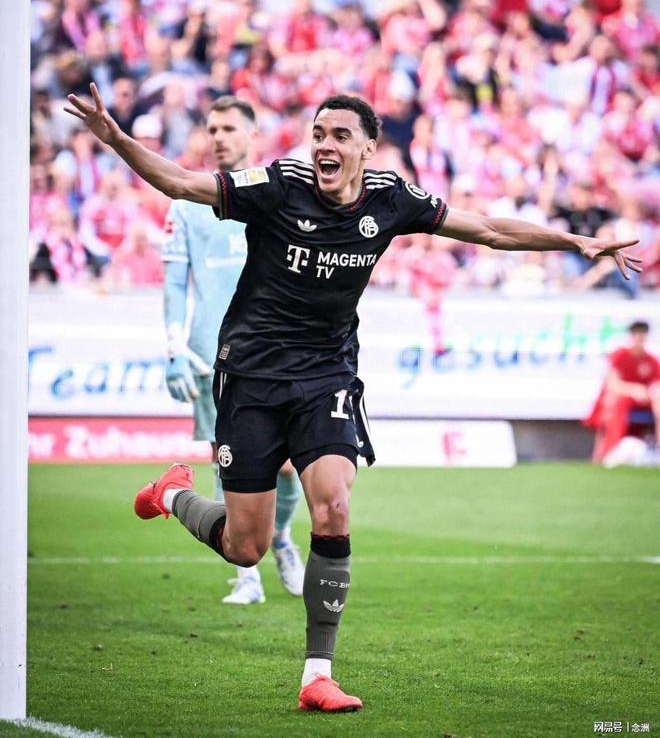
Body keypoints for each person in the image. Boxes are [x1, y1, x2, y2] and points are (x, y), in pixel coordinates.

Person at [65, 84, 642, 713]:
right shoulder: (278, 184)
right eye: (318, 134)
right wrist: (116, 138)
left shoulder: (391, 198)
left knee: (334, 507)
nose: (325, 145)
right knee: (246, 546)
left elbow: (488, 230)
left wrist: (573, 242)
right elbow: (181, 183)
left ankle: (318, 675)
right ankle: (173, 494)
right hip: (252, 376)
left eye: (340, 136)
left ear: (368, 148)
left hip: (327, 375)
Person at [162, 97, 305, 604]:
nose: (219, 137)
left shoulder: (276, 193)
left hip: (275, 352)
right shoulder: (186, 202)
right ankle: (246, 574)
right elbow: (174, 282)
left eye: (228, 128)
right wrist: (175, 348)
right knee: (230, 464)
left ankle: (280, 538)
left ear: (252, 135)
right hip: (212, 353)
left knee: (288, 466)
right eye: (212, 129)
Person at [584, 320, 660, 464]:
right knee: (615, 402)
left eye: (643, 336)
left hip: (644, 401)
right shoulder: (620, 356)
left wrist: (652, 391)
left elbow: (656, 384)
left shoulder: (652, 361)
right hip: (621, 400)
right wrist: (633, 390)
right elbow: (613, 384)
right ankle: (608, 453)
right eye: (637, 336)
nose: (640, 340)